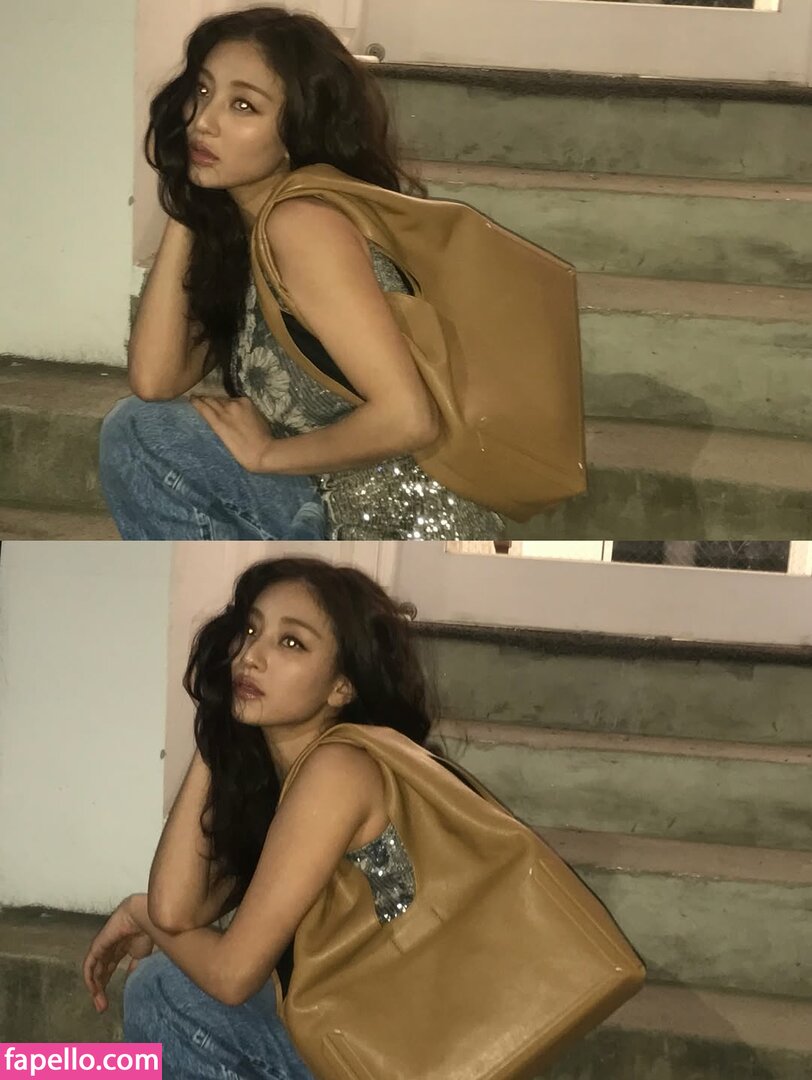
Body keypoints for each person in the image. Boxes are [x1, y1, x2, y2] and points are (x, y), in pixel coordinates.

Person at [99, 6, 505, 541]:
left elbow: (409, 418)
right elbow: (155, 380)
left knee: (137, 435)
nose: (202, 121)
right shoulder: (246, 227)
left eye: (243, 105)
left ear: (296, 131)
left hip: (388, 515)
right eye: (202, 91)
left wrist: (267, 454)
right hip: (322, 493)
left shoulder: (303, 224)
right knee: (141, 427)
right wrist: (185, 200)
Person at [81, 556, 446, 1079]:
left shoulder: (340, 770)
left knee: (164, 990)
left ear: (341, 687)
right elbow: (176, 909)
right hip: (347, 1032)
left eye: (291, 642)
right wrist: (217, 726)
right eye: (251, 631)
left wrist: (138, 914)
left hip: (392, 1056)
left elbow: (231, 975)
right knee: (164, 984)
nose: (250, 656)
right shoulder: (280, 780)